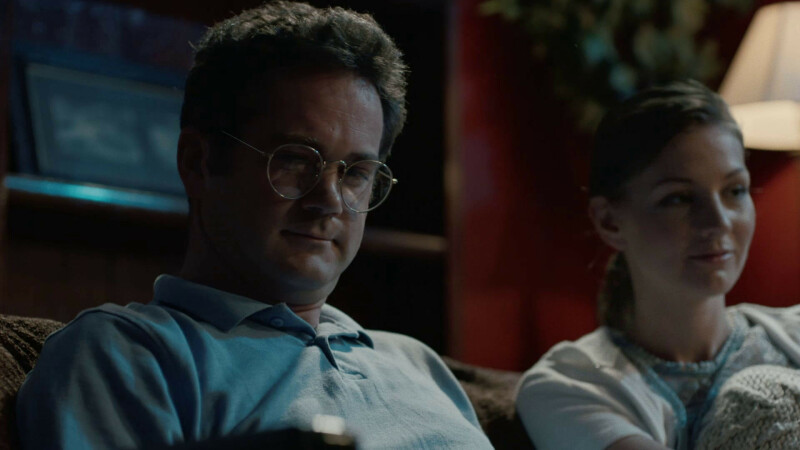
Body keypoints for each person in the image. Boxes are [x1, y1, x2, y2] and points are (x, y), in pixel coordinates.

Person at [15, 2, 492, 449]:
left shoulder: (418, 363)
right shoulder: (128, 353)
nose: (329, 201)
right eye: (296, 160)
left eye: (355, 173)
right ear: (198, 162)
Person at [515, 80, 800, 450]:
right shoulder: (574, 384)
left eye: (735, 191)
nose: (719, 221)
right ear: (610, 222)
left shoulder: (792, 334)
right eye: (679, 198)